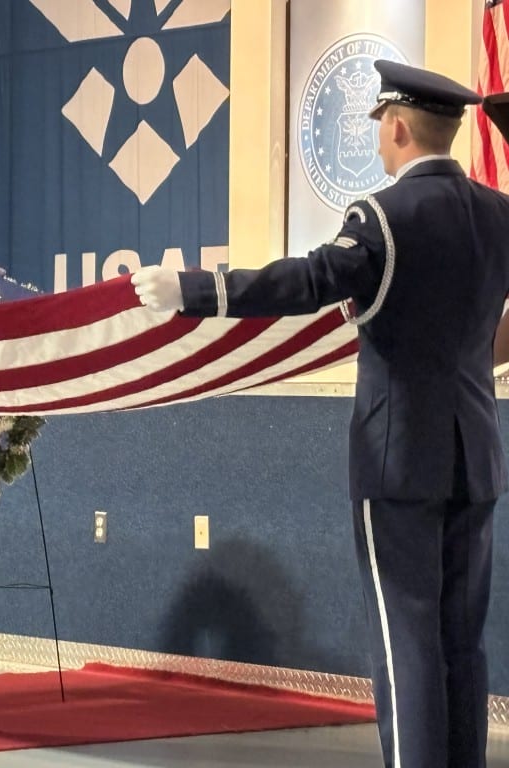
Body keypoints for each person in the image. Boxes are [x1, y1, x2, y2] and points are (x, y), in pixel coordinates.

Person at [133, 60, 509, 768]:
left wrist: (191, 287)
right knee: (463, 638)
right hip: (479, 455)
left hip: (400, 458)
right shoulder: (499, 215)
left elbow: (304, 281)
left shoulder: (382, 216)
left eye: (379, 126)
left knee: (407, 640)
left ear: (396, 127)